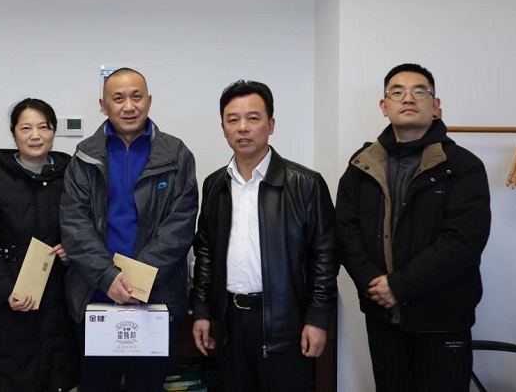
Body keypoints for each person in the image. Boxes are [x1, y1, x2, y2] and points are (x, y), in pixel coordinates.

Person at [335, 63, 491, 391]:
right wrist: (374, 284)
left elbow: (464, 241)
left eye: (420, 91)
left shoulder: (463, 167)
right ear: (384, 106)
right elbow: (346, 230)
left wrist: (399, 286)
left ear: (436, 106)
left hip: (443, 319)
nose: (408, 98)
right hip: (382, 319)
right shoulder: (361, 165)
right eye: (397, 92)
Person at [191, 79, 337, 392]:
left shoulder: (305, 184)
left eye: (253, 118)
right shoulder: (215, 185)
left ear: (270, 125)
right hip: (229, 323)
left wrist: (317, 318)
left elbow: (325, 256)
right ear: (223, 127)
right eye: (233, 119)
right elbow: (205, 251)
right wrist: (201, 311)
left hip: (285, 323)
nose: (243, 127)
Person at [60, 67, 199, 392]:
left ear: (149, 100)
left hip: (155, 298)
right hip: (97, 296)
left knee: (149, 385)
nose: (128, 106)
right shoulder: (84, 156)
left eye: (136, 97)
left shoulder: (177, 154)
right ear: (103, 105)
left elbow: (180, 225)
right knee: (96, 385)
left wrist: (137, 280)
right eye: (118, 98)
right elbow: (74, 224)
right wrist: (108, 277)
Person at [0, 98, 80, 391]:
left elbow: (86, 227)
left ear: (53, 131)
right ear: (14, 133)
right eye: (26, 128)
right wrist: (8, 290)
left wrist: (72, 249)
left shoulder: (71, 176)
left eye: (43, 127)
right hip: (9, 303)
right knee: (9, 376)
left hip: (58, 298)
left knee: (55, 375)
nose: (35, 136)